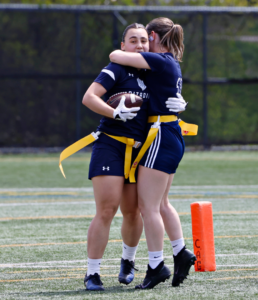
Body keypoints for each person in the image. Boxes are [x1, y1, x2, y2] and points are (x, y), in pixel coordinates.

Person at [110, 17, 196, 290]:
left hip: (161, 133)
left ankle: (156, 265)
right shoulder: (169, 61)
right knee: (161, 204)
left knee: (148, 207)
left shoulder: (159, 60)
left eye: (145, 38)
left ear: (153, 36)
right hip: (169, 132)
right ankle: (181, 251)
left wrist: (128, 48)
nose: (142, 45)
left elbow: (114, 54)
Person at [81, 23, 149, 291]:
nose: (140, 45)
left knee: (133, 211)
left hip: (140, 148)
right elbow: (89, 97)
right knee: (106, 210)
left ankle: (128, 261)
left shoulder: (154, 70)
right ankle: (92, 273)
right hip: (111, 144)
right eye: (133, 40)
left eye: (144, 40)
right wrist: (115, 114)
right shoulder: (117, 68)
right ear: (123, 46)